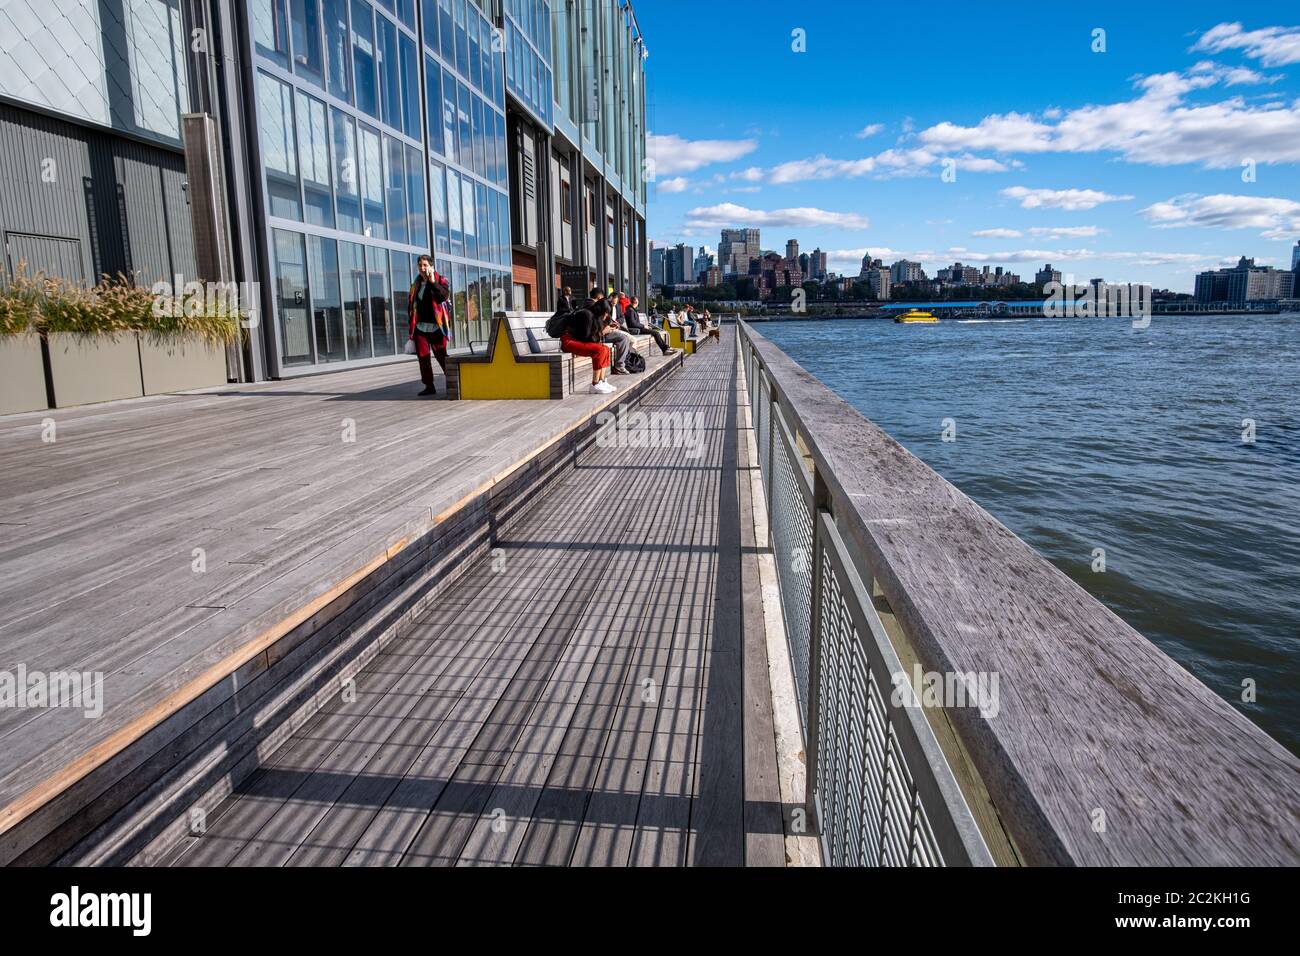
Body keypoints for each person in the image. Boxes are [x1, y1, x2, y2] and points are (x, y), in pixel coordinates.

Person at [408, 255, 451, 396]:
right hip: (420, 327)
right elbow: (412, 305)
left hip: (437, 327)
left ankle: (453, 382)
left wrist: (433, 282)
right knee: (423, 357)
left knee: (442, 356)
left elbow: (442, 297)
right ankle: (429, 386)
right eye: (420, 265)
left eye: (425, 265)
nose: (422, 268)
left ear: (431, 266)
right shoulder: (416, 284)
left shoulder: (440, 280)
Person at [560, 299, 617, 394]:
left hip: (577, 340)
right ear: (600, 310)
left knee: (606, 349)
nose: (606, 315)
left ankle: (601, 381)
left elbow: (591, 337)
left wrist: (607, 328)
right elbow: (586, 338)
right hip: (568, 341)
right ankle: (594, 384)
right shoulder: (587, 315)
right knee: (600, 350)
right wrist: (602, 332)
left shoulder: (594, 316)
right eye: (605, 313)